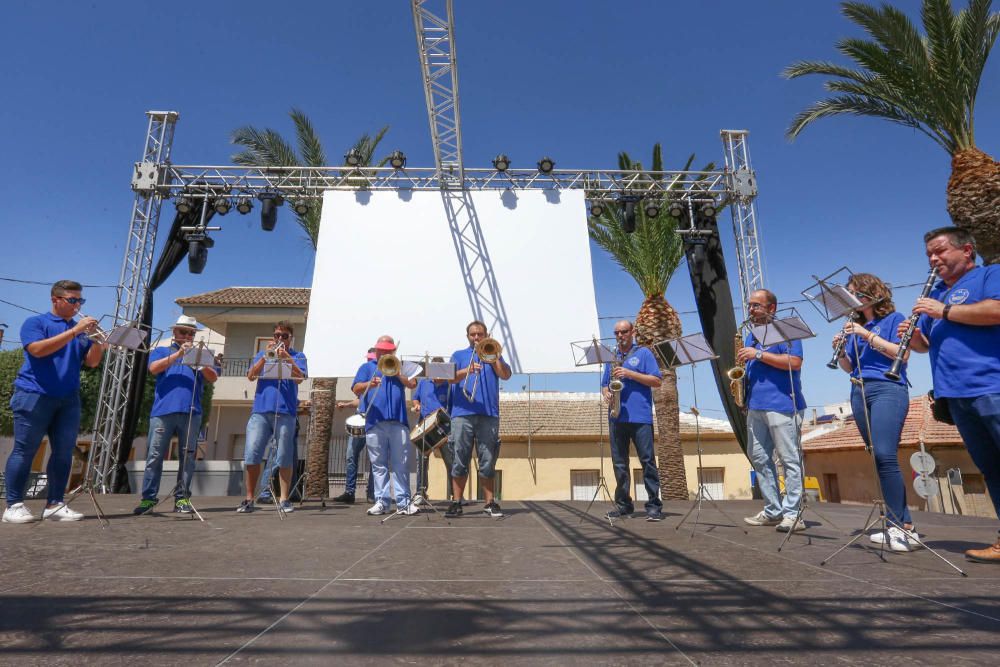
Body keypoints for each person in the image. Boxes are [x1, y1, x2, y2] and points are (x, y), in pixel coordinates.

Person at [904, 226, 1000, 564]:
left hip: (992, 386)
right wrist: (913, 337)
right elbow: (928, 345)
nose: (933, 259)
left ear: (967, 250)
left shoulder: (990, 275)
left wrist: (941, 311)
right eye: (929, 254)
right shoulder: (939, 295)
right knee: (991, 468)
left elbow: (996, 311)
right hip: (955, 395)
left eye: (940, 251)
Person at [3, 280, 106, 523]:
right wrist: (74, 331)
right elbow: (37, 350)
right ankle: (14, 505)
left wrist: (98, 341)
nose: (77, 305)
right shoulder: (36, 323)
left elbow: (92, 362)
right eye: (72, 300)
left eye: (80, 301)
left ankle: (54, 504)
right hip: (33, 393)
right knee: (25, 450)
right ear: (55, 300)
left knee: (63, 452)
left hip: (68, 399)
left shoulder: (80, 332)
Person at [832, 273, 920, 552]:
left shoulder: (893, 319)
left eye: (853, 292)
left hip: (887, 388)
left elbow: (902, 354)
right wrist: (840, 351)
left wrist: (867, 335)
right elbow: (849, 367)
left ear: (869, 294)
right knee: (876, 455)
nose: (849, 297)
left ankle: (898, 525)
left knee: (885, 454)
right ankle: (904, 525)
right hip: (858, 390)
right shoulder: (853, 325)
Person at [134, 316, 218, 515]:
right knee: (155, 456)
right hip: (163, 411)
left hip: (191, 412)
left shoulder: (201, 353)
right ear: (175, 333)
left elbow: (213, 377)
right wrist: (179, 354)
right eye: (183, 332)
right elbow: (153, 369)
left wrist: (199, 361)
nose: (187, 335)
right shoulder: (162, 351)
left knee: (188, 457)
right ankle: (148, 499)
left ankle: (182, 498)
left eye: (191, 333)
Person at [740, 289, 808, 533]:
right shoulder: (751, 335)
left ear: (772, 308)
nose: (751, 310)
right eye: (750, 306)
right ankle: (772, 510)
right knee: (759, 458)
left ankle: (793, 514)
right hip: (755, 406)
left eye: (757, 305)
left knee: (789, 460)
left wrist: (758, 354)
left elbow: (795, 362)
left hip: (783, 404)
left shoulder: (787, 329)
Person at [237, 321, 307, 514]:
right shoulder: (262, 355)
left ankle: (284, 498)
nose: (280, 339)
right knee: (252, 454)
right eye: (277, 335)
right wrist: (266, 357)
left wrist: (287, 359)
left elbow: (300, 377)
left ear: (290, 338)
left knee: (284, 456)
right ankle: (249, 498)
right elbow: (251, 376)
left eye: (284, 336)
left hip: (285, 412)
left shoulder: (299, 356)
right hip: (261, 411)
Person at [445, 321, 512, 518]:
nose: (476, 338)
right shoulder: (459, 355)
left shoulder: (494, 354)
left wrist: (495, 357)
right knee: (459, 458)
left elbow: (506, 375)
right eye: (473, 334)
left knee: (488, 460)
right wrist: (467, 371)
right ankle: (457, 502)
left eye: (480, 334)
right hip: (461, 414)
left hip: (488, 415)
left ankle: (490, 502)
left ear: (486, 335)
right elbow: (448, 378)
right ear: (468, 336)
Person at [600, 320, 664, 521]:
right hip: (617, 416)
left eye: (624, 332)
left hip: (640, 416)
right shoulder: (612, 357)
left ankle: (653, 506)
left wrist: (629, 373)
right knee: (619, 463)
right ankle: (624, 505)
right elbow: (604, 385)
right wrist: (607, 394)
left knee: (647, 461)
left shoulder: (643, 353)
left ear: (633, 331)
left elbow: (657, 380)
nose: (620, 336)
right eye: (617, 333)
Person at [352, 335, 418, 516]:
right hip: (375, 422)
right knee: (378, 465)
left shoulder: (401, 367)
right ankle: (382, 501)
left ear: (393, 351)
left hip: (398, 421)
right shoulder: (367, 368)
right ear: (377, 351)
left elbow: (413, 384)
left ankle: (404, 502)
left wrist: (397, 372)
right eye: (382, 350)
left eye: (388, 350)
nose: (385, 353)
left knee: (401, 464)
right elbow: (356, 388)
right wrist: (369, 384)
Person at [411, 356, 455, 502]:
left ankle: (456, 495)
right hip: (424, 426)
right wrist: (416, 405)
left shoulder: (450, 385)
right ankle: (420, 492)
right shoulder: (424, 382)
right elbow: (415, 398)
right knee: (422, 462)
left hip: (443, 428)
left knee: (450, 461)